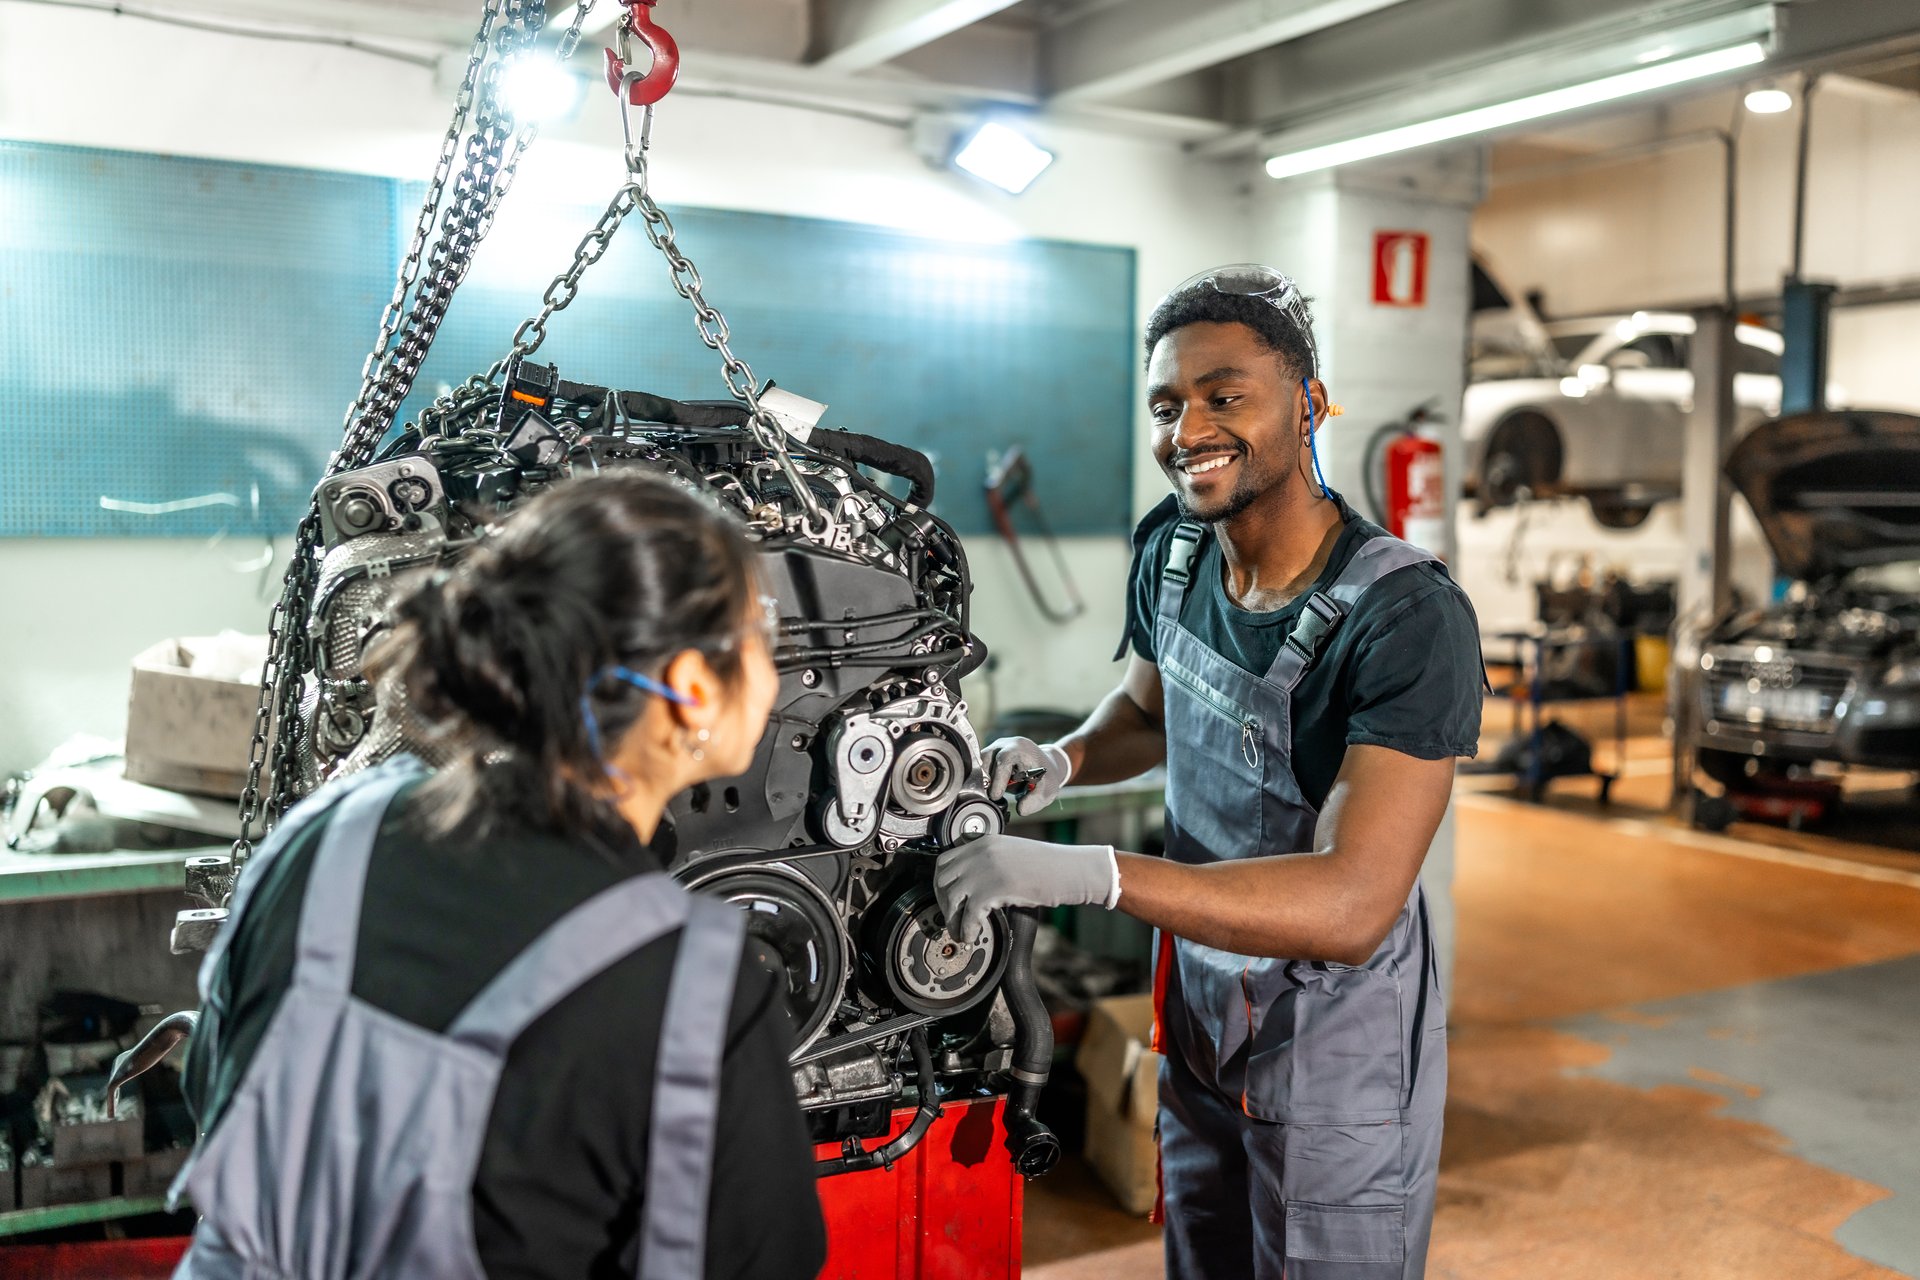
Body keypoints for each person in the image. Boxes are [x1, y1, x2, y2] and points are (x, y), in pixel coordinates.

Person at [934, 265, 1483, 1279]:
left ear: (1310, 403)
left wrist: (1092, 874)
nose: (1188, 428)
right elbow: (1150, 710)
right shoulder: (1173, 551)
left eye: (1223, 394)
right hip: (1199, 1013)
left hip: (1331, 1046)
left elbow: (1356, 901)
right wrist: (1067, 758)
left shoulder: (1404, 617)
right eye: (1165, 403)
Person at [174, 471, 827, 1280]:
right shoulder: (696, 989)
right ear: (692, 692)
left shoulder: (327, 835)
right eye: (760, 628)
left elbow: (218, 1090)